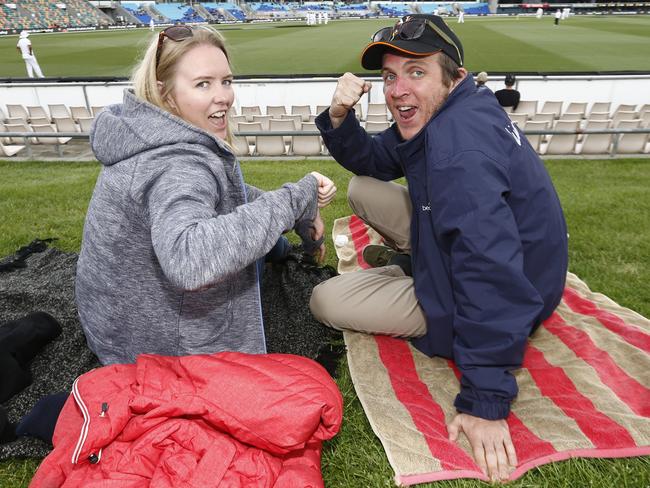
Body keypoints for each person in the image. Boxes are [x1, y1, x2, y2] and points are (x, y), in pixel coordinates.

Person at [309, 14, 567, 482]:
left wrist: (485, 402)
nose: (397, 90)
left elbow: (489, 271)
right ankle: (409, 263)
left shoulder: (457, 149)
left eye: (416, 72)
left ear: (455, 77)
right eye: (390, 76)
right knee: (362, 189)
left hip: (511, 287)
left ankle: (409, 269)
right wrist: (340, 118)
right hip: (505, 257)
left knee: (325, 300)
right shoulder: (456, 108)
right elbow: (374, 159)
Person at [76, 25, 336, 365]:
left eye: (226, 81)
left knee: (247, 231)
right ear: (165, 92)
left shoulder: (147, 132)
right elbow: (190, 260)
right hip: (147, 350)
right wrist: (294, 199)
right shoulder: (178, 165)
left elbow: (228, 197)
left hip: (110, 321)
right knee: (236, 249)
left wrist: (298, 206)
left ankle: (280, 247)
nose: (223, 96)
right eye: (203, 84)